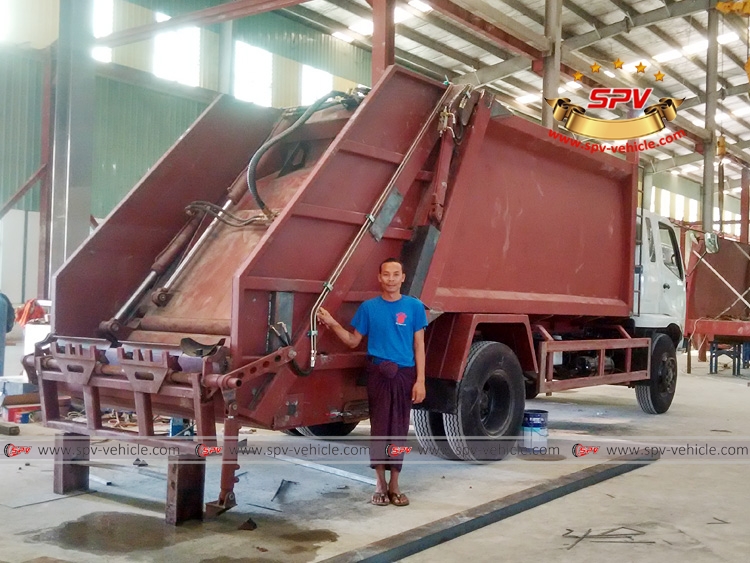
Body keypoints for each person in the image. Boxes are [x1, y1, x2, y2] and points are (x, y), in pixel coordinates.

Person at [317, 258, 427, 507]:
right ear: (379, 278)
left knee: (399, 430)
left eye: (395, 274)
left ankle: (395, 484)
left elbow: (419, 346)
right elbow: (353, 341)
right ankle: (379, 483)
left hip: (405, 374)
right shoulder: (368, 308)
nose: (390, 279)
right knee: (379, 428)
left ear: (403, 277)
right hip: (378, 373)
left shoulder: (414, 307)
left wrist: (420, 381)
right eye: (386, 274)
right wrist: (333, 323)